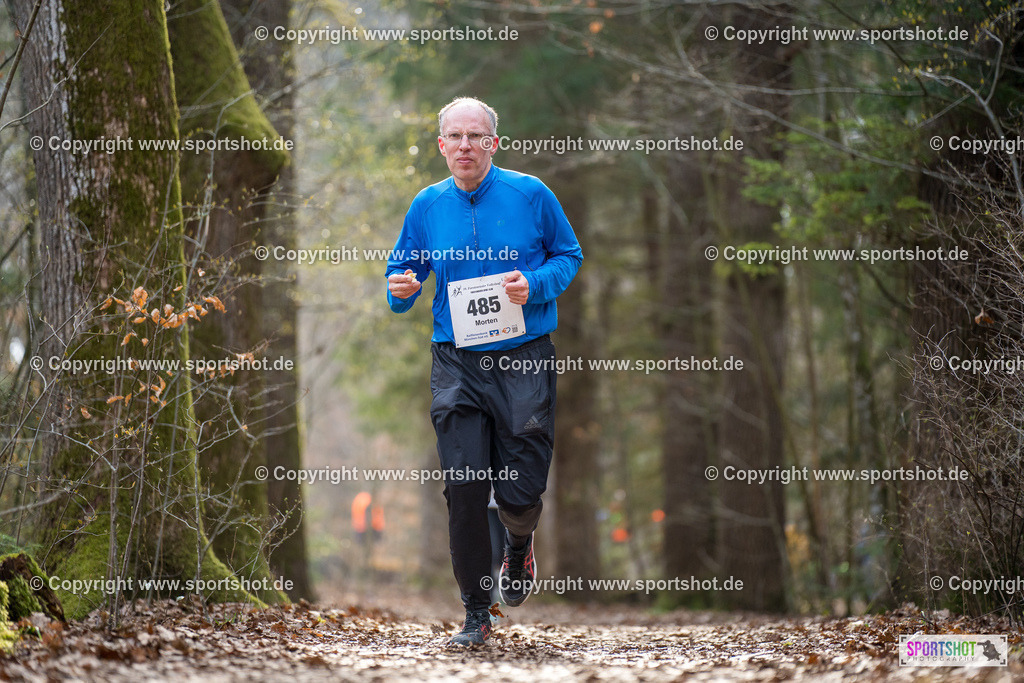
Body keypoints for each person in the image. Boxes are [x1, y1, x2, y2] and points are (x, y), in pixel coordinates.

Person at [385, 96, 582, 647]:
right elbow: (403, 271)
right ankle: (476, 612)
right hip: (456, 362)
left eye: (476, 136)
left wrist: (533, 285)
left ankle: (519, 545)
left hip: (523, 357)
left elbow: (569, 255)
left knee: (520, 493)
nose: (465, 145)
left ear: (493, 144)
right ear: (441, 145)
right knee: (465, 488)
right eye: (455, 136)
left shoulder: (531, 194)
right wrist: (399, 289)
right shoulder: (427, 206)